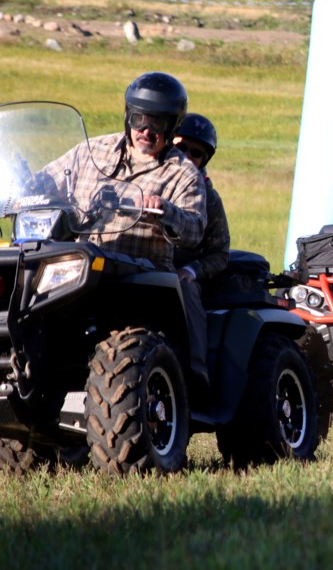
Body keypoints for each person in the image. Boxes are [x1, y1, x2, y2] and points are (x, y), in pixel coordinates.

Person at [37, 72, 208, 383]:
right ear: (128, 115)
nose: (145, 130)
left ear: (171, 126)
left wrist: (165, 210)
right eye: (139, 118)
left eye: (156, 123)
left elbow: (195, 230)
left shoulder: (183, 173)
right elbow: (47, 180)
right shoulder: (91, 150)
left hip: (141, 275)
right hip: (81, 261)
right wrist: (21, 185)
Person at [172, 114, 231, 391]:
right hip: (139, 261)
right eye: (181, 147)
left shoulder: (209, 197)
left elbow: (220, 254)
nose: (187, 156)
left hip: (180, 271)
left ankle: (197, 372)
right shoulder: (142, 178)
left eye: (196, 153)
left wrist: (191, 271)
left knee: (184, 289)